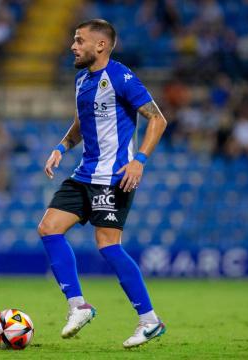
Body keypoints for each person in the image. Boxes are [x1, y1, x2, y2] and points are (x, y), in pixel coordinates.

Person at [37, 19, 167, 348]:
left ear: (101, 46)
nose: (73, 46)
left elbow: (157, 119)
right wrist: (61, 147)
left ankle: (149, 320)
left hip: (113, 178)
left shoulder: (122, 77)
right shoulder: (82, 81)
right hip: (84, 174)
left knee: (108, 245)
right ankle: (78, 305)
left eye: (79, 41)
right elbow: (82, 123)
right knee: (49, 227)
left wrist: (140, 160)